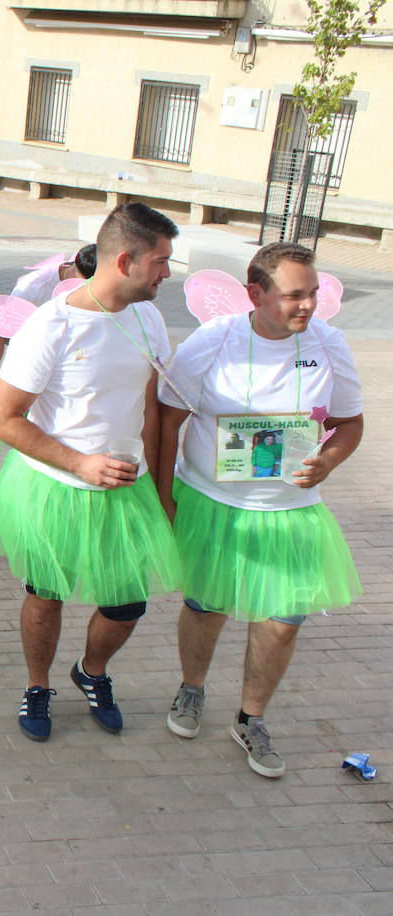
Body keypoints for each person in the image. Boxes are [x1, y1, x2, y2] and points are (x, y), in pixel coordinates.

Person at [157, 242, 363, 778]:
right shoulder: (213, 341)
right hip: (215, 501)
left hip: (292, 509)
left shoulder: (329, 344)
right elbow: (166, 418)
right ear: (255, 293)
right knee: (208, 604)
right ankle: (191, 689)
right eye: (295, 295)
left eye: (314, 293)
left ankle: (252, 718)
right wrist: (164, 496)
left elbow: (349, 423)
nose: (308, 306)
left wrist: (329, 462)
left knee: (284, 619)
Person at [0, 202, 181, 742]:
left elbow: (152, 406)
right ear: (126, 260)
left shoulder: (148, 317)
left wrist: (162, 491)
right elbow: (2, 420)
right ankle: (36, 686)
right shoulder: (51, 326)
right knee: (46, 596)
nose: (167, 273)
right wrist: (80, 462)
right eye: (162, 262)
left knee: (126, 605)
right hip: (53, 487)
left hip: (127, 489)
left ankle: (91, 672)